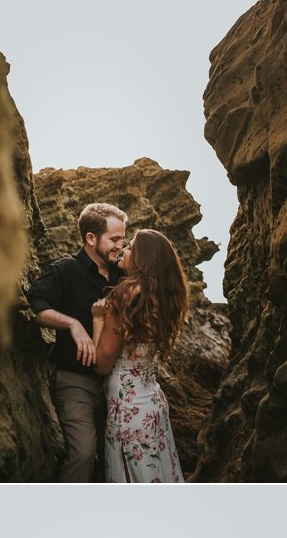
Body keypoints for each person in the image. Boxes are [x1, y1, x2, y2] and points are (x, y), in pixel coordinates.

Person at [27, 203, 128, 481]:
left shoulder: (124, 274)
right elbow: (36, 305)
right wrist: (72, 324)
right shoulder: (65, 270)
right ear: (91, 238)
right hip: (75, 381)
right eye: (115, 239)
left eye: (123, 238)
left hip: (119, 384)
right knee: (83, 453)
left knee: (116, 457)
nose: (121, 246)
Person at [92, 229, 188, 483]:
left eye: (132, 247)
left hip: (128, 410)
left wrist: (96, 319)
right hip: (153, 404)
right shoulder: (162, 298)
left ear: (143, 258)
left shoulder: (124, 295)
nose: (124, 249)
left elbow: (101, 364)